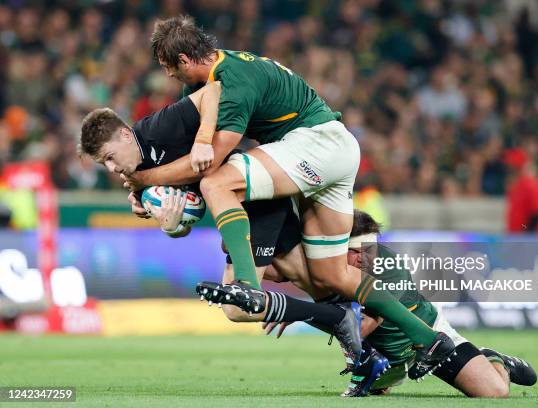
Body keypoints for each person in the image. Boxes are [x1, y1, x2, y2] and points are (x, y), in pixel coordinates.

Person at [121, 15, 454, 378]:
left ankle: (248, 284)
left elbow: (211, 161)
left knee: (216, 183)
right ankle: (429, 339)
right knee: (333, 276)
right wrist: (150, 193)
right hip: (331, 147)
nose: (169, 76)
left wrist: (143, 179)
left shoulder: (232, 81)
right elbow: (191, 157)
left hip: (314, 144)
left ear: (184, 61)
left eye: (169, 67)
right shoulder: (215, 79)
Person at [78, 86, 363, 370]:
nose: (112, 169)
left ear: (126, 135)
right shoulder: (140, 183)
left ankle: (348, 321)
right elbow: (183, 226)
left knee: (238, 306)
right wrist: (172, 227)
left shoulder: (162, 126)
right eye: (105, 164)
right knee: (314, 281)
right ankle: (374, 342)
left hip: (256, 198)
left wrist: (204, 139)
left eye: (110, 157)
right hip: (249, 208)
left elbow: (211, 91)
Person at [257, 210, 537, 398]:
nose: (365, 259)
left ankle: (493, 358)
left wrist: (298, 311)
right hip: (386, 357)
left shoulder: (386, 269)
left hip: (427, 342)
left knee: (494, 392)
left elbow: (361, 326)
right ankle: (388, 376)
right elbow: (277, 271)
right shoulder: (326, 265)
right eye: (356, 253)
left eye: (370, 250)